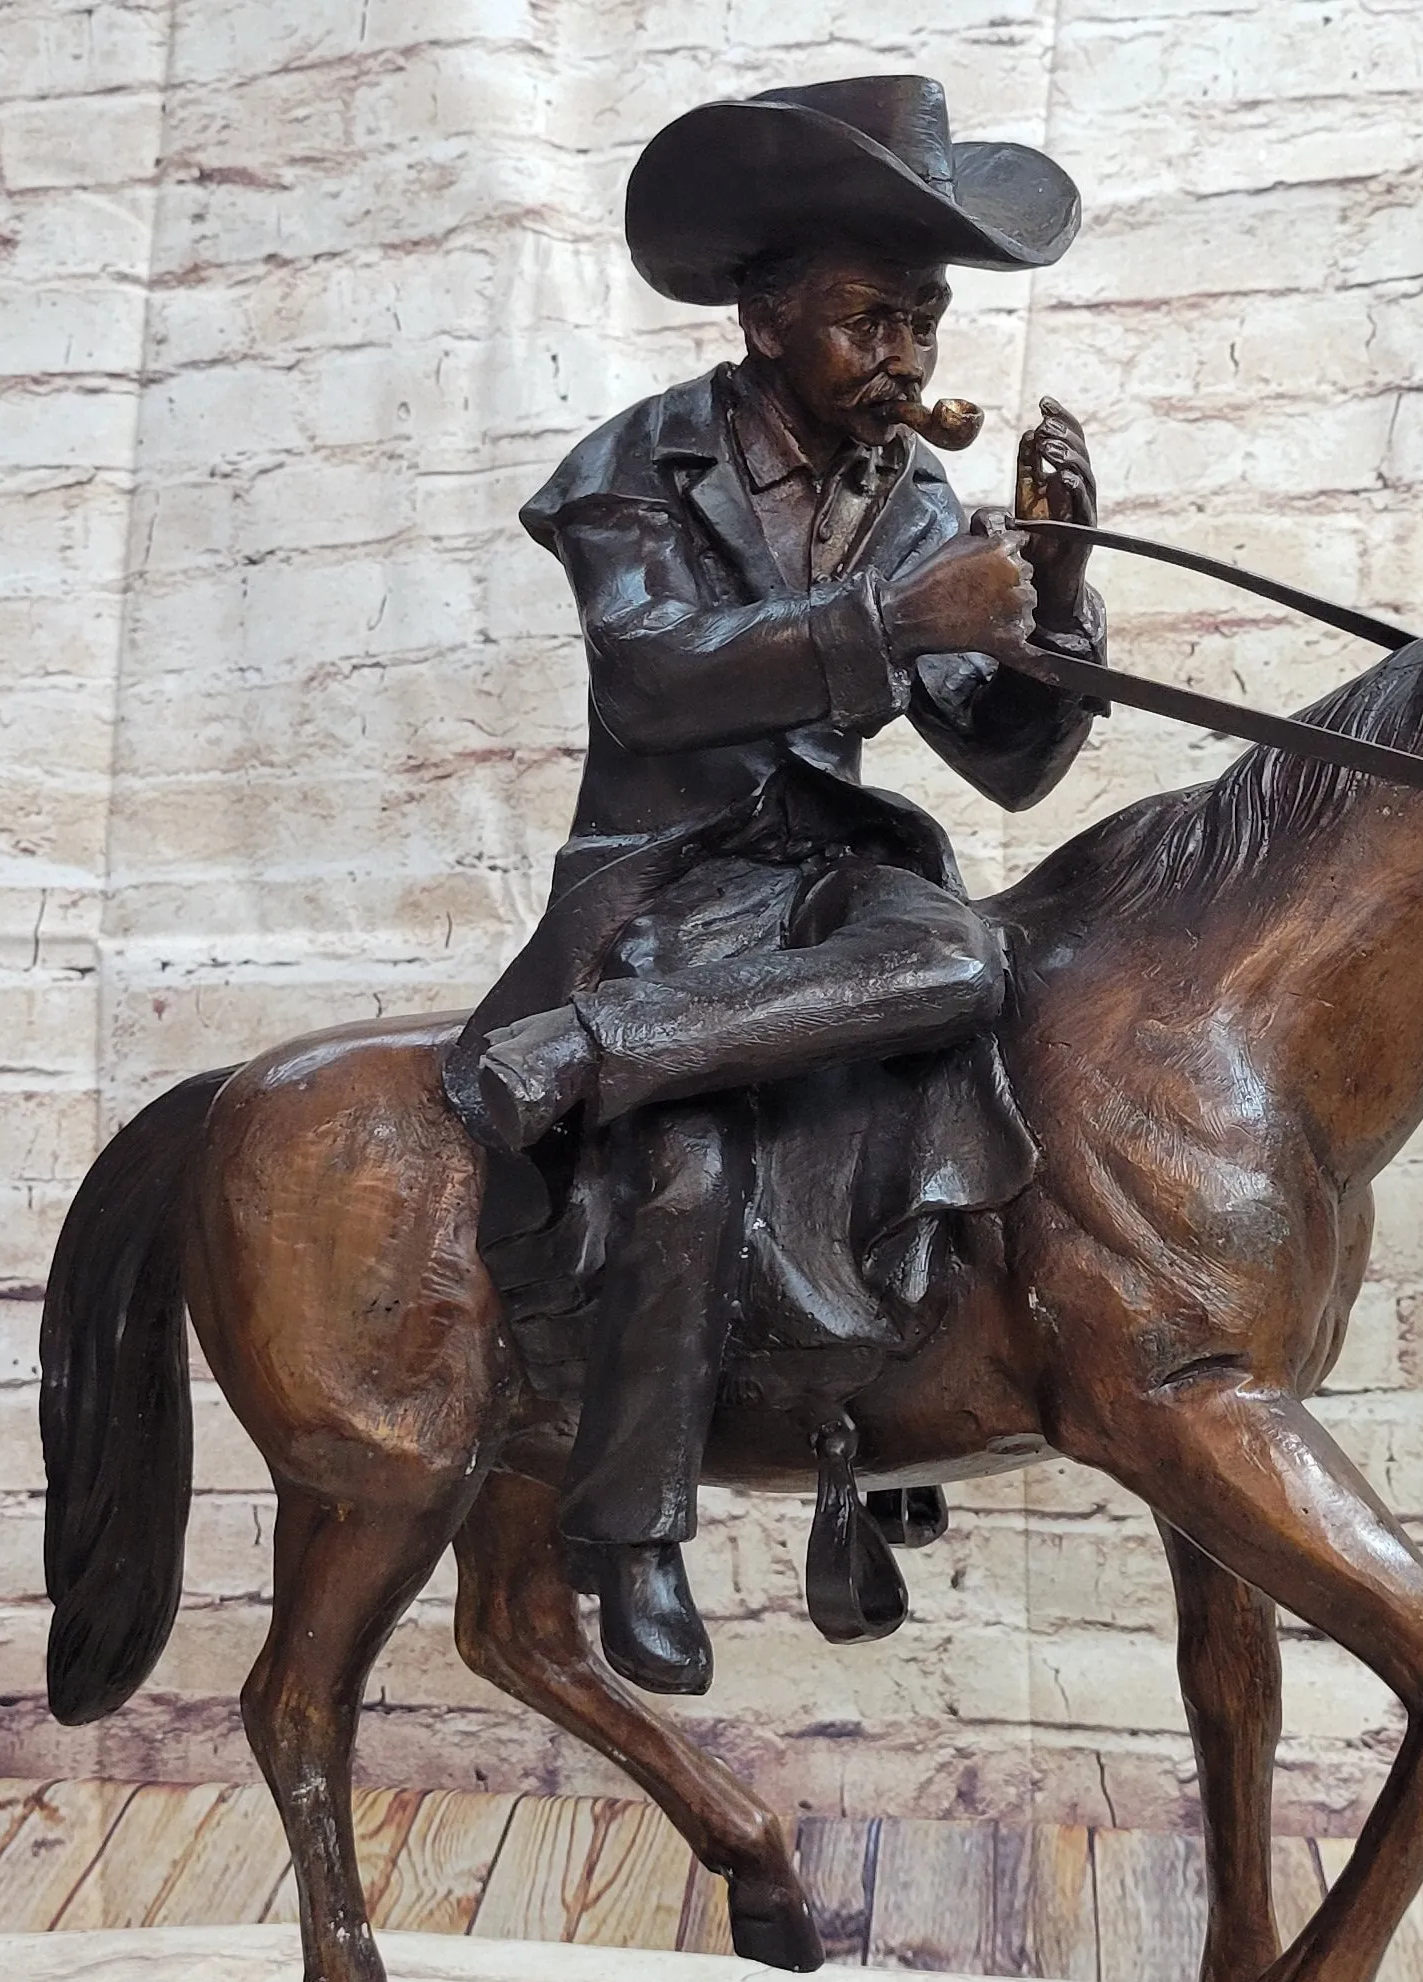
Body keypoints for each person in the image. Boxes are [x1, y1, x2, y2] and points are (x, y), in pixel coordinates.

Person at [444, 74, 1103, 1695]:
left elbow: (1005, 764)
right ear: (764, 315)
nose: (905, 361)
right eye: (871, 321)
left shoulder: (917, 504)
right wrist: (897, 624)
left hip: (824, 898)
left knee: (968, 969)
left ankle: (588, 1064)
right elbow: (657, 683)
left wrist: (1059, 600)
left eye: (926, 327)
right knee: (683, 1172)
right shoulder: (635, 468)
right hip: (667, 893)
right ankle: (631, 1532)